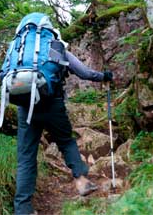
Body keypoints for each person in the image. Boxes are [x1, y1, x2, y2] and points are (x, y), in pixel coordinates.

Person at [14, 50, 113, 215]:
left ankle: (23, 209)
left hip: (26, 109)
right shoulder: (56, 48)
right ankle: (81, 181)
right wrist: (103, 76)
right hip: (53, 103)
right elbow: (84, 72)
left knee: (25, 158)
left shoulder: (20, 49)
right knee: (66, 142)